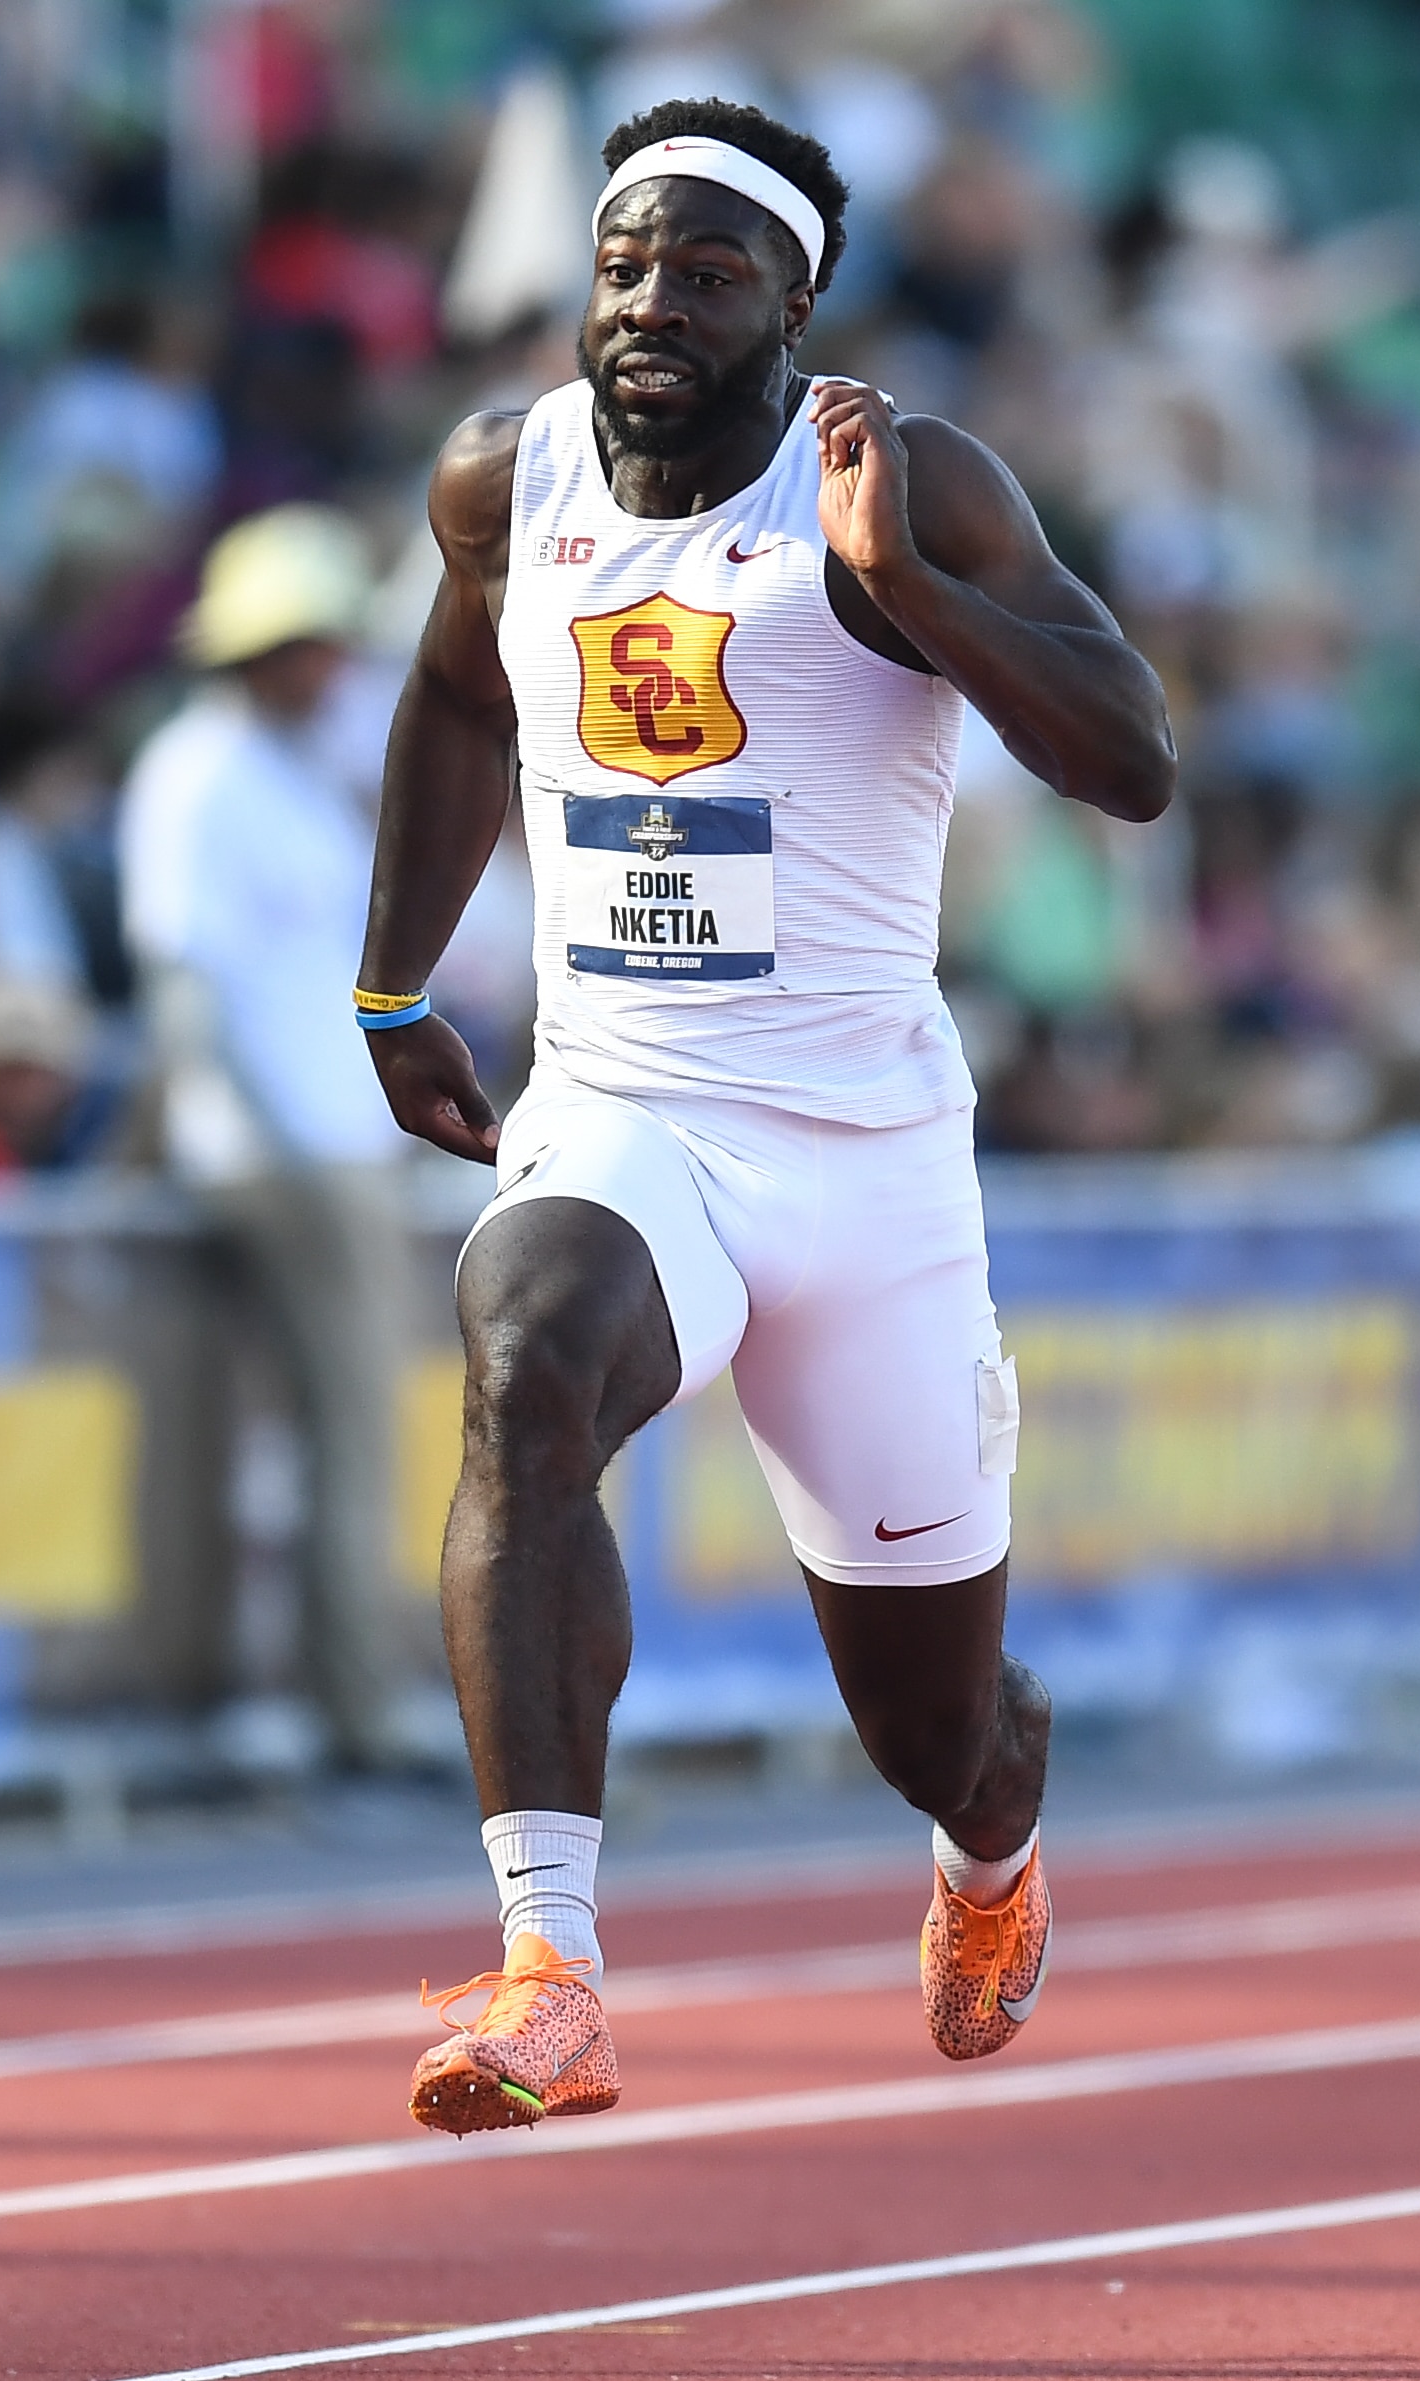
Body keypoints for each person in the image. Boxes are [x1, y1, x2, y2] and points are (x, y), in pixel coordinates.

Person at [358, 99, 1174, 2133]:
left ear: (796, 310)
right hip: (628, 1109)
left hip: (864, 1161)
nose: (652, 303)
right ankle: (550, 1968)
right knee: (527, 1359)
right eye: (624, 263)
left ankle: (991, 1840)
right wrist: (391, 982)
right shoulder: (505, 474)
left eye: (709, 274)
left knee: (933, 1731)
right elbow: (458, 694)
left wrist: (909, 588)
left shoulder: (901, 481)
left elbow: (1133, 758)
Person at [120, 504, 416, 1769]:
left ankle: (326, 1704)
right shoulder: (200, 774)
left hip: (319, 1143)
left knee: (320, 1435)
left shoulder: (288, 765)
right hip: (291, 1154)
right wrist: (279, 1143)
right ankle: (353, 1713)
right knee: (348, 1433)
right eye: (314, 641)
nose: (333, 664)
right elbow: (186, 986)